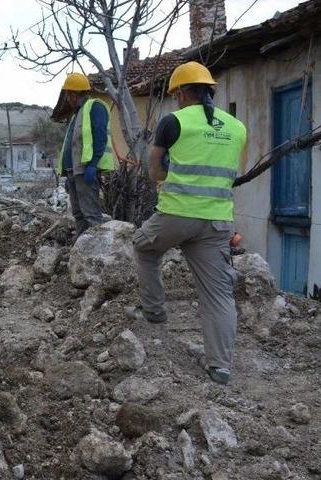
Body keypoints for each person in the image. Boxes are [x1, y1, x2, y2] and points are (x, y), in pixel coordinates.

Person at [128, 61, 247, 385]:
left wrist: (167, 173)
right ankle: (220, 366)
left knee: (144, 248)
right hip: (217, 221)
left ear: (180, 93)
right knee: (219, 293)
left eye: (175, 94)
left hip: (177, 214)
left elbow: (154, 170)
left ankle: (154, 312)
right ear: (209, 90)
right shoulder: (237, 127)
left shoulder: (173, 122)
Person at [56, 73, 115, 238]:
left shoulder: (95, 107)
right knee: (78, 213)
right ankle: (80, 247)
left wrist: (93, 164)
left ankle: (98, 250)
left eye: (68, 94)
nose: (67, 98)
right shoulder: (78, 113)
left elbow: (100, 137)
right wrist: (68, 173)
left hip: (86, 169)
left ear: (73, 94)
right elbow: (72, 144)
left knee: (91, 213)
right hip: (75, 171)